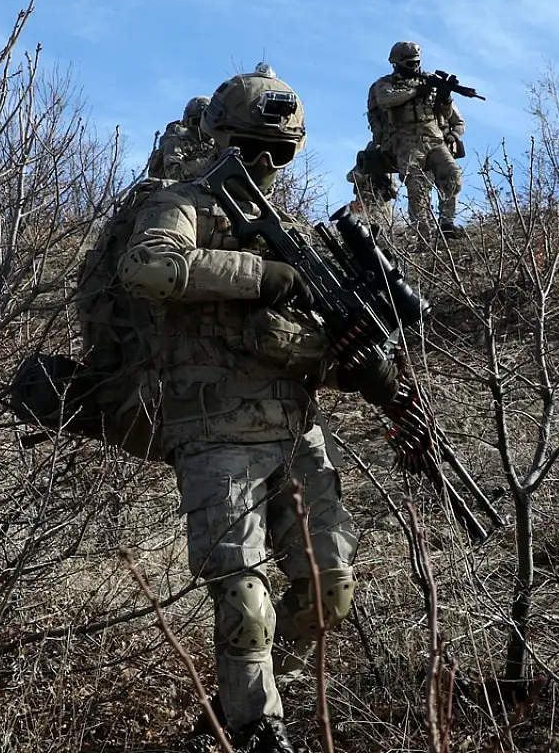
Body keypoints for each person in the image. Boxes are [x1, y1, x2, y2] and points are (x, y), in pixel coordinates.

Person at [117, 69, 398, 752]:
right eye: (251, 148)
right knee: (244, 601)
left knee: (331, 589)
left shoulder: (292, 236)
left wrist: (361, 367)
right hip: (215, 433)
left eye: (282, 153)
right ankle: (256, 730)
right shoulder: (181, 204)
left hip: (297, 433)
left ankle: (235, 703)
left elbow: (305, 343)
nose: (266, 167)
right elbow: (149, 268)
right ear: (220, 140)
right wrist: (259, 276)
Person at [367, 40, 466, 241]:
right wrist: (415, 91)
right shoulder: (385, 84)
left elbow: (450, 116)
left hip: (434, 139)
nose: (415, 67)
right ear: (396, 63)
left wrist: (444, 96)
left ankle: (447, 223)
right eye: (409, 63)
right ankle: (423, 233)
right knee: (416, 186)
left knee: (453, 175)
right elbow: (386, 100)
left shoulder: (429, 82)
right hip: (404, 141)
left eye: (416, 62)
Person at [148, 95, 216, 181]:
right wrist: (209, 162)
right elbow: (174, 174)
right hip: (170, 190)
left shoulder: (211, 141)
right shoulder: (175, 139)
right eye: (198, 122)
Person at [346, 140, 399, 229]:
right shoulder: (362, 166)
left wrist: (384, 182)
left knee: (381, 232)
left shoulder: (386, 169)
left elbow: (394, 191)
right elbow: (350, 177)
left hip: (380, 208)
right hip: (363, 206)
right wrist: (367, 176)